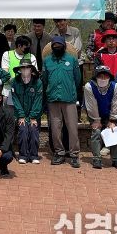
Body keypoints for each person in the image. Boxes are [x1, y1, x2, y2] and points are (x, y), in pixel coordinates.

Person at [42, 36, 82, 168]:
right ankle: (59, 152)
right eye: (55, 46)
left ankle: (74, 154)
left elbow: (77, 79)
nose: (57, 47)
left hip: (69, 98)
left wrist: (70, 90)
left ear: (64, 46)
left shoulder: (71, 59)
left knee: (72, 128)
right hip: (53, 98)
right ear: (52, 47)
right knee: (55, 128)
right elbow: (45, 79)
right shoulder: (47, 61)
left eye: (59, 45)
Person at [84, 66, 117, 170]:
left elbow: (116, 103)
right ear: (95, 77)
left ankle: (115, 159)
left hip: (110, 113)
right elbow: (91, 105)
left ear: (109, 77)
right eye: (100, 76)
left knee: (113, 131)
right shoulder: (89, 86)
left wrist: (112, 120)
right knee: (96, 131)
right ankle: (96, 158)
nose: (103, 78)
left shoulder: (115, 86)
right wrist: (96, 120)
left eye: (105, 76)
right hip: (94, 113)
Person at [11, 58, 42, 164]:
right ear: (19, 69)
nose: (25, 70)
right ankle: (23, 155)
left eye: (27, 67)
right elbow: (15, 100)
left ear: (31, 69)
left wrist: (33, 116)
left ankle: (34, 155)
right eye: (23, 68)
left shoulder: (37, 82)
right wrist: (21, 115)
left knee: (33, 130)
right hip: (21, 114)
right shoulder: (14, 82)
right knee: (23, 130)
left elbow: (38, 100)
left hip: (34, 114)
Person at [0, 35, 37, 106]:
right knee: (9, 112)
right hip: (9, 91)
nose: (28, 49)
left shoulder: (31, 57)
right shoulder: (7, 55)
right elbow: (5, 73)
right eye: (26, 47)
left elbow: (34, 74)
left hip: (26, 92)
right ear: (19, 46)